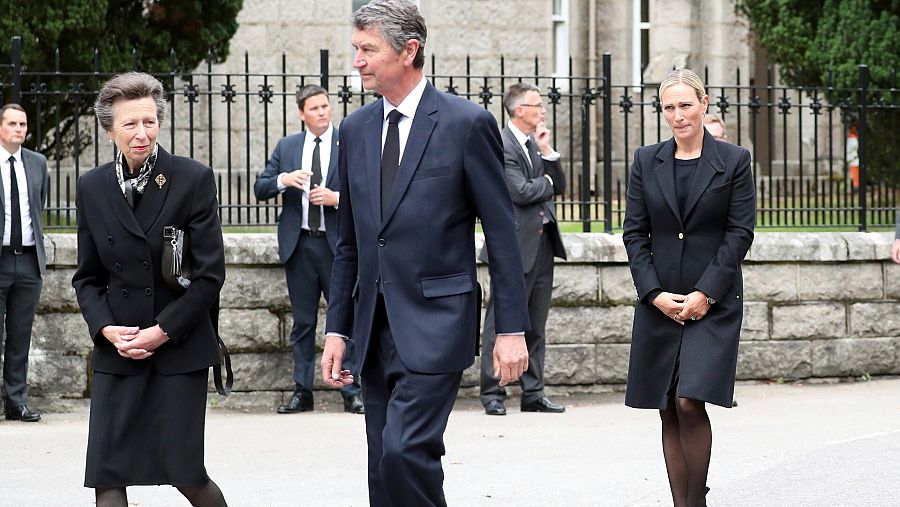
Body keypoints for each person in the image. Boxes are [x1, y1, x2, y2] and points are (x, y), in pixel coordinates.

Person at [319, 1, 530, 505]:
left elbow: (502, 234)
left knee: (403, 451)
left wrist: (511, 330)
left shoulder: (465, 123)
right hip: (373, 327)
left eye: (367, 50)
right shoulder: (354, 131)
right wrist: (337, 328)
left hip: (438, 321)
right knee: (383, 467)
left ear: (409, 50)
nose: (357, 61)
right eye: (356, 49)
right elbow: (349, 243)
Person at [72, 72, 228, 507]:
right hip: (118, 350)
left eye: (150, 121)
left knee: (187, 475)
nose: (142, 133)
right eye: (130, 124)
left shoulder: (192, 179)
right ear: (109, 130)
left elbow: (210, 276)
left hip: (176, 349)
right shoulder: (91, 187)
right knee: (107, 476)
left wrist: (161, 331)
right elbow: (86, 277)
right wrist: (106, 330)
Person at [622, 68, 755, 507]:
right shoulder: (646, 160)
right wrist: (653, 293)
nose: (677, 115)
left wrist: (706, 294)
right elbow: (634, 234)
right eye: (668, 107)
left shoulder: (734, 161)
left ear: (704, 103)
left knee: (687, 400)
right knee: (665, 403)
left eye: (685, 105)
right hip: (659, 301)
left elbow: (740, 233)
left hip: (711, 302)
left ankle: (694, 501)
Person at [254, 84, 364, 415]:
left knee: (346, 320)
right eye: (314, 108)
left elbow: (367, 190)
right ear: (302, 113)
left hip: (337, 247)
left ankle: (352, 391)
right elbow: (261, 187)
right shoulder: (288, 146)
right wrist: (284, 179)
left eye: (325, 106)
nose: (322, 112)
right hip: (300, 245)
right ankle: (303, 392)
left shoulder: (348, 142)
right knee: (302, 324)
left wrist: (336, 199)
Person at [479, 83, 567, 416]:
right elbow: (519, 191)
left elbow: (557, 185)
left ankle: (533, 392)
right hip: (512, 247)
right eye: (537, 105)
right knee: (501, 321)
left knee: (536, 322)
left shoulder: (534, 143)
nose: (542, 110)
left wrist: (547, 154)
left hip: (542, 243)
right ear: (519, 110)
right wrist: (549, 185)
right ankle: (493, 392)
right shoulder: (501, 143)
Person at [0, 104, 48, 423]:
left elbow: (38, 205)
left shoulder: (37, 162)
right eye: (12, 123)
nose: (19, 129)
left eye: (23, 124)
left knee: (20, 336)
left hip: (29, 262)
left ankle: (16, 402)